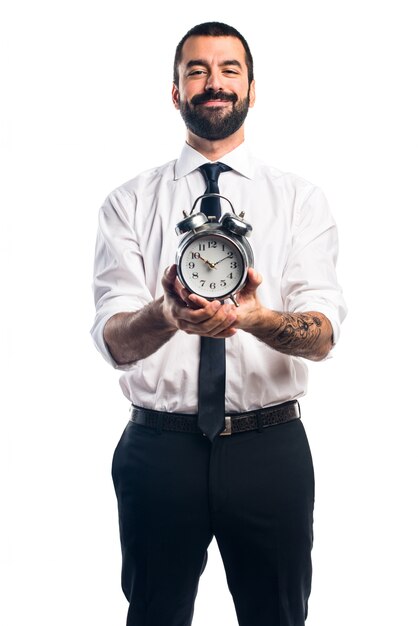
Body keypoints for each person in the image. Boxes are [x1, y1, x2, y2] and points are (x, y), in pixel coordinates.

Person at [91, 21, 347, 626]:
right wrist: (166, 314)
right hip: (159, 448)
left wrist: (257, 318)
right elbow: (112, 339)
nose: (214, 83)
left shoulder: (300, 201)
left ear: (252, 89)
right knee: (154, 615)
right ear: (175, 91)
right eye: (197, 71)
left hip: (270, 448)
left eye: (229, 70)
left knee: (278, 617)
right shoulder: (128, 203)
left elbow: (323, 335)